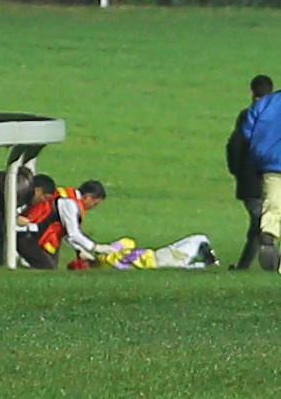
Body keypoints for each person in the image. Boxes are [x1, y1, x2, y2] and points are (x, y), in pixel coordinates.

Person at [226, 74, 274, 269]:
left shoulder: (248, 116)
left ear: (252, 92)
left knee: (260, 224)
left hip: (251, 180)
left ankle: (251, 266)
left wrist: (237, 170)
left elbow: (235, 145)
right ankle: (249, 266)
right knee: (262, 224)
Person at [15, 180, 114, 269]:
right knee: (47, 269)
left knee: (50, 269)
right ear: (88, 197)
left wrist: (80, 250)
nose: (93, 207)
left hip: (37, 236)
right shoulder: (70, 203)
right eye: (95, 203)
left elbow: (66, 229)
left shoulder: (67, 196)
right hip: (30, 236)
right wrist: (97, 247)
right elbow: (73, 234)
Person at [242, 82, 281, 272]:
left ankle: (268, 233)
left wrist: (259, 151)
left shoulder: (267, 103)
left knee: (273, 203)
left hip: (270, 164)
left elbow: (248, 130)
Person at [67, 234, 220, 270]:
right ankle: (212, 263)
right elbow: (129, 242)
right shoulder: (106, 256)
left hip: (159, 263)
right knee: (200, 238)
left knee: (190, 267)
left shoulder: (104, 266)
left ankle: (208, 266)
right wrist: (100, 248)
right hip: (159, 258)